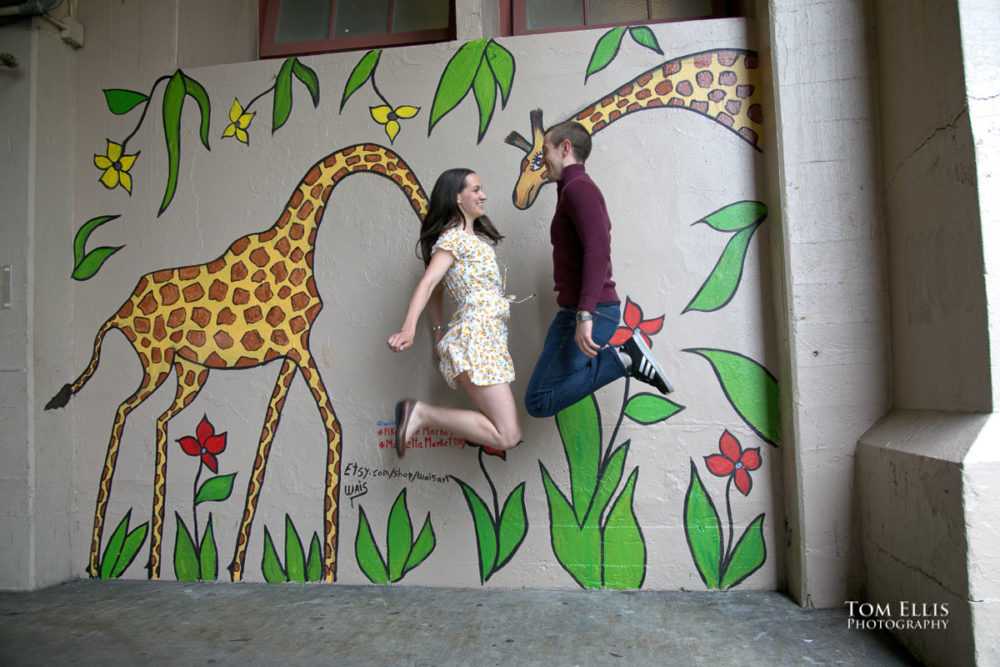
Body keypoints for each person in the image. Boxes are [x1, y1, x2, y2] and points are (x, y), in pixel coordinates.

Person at [523, 120, 673, 419]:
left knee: (539, 401)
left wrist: (585, 314)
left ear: (565, 148)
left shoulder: (578, 189)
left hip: (591, 311)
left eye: (545, 151)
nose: (542, 160)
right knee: (539, 399)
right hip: (582, 310)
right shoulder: (572, 190)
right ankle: (624, 359)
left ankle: (625, 359)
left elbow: (599, 251)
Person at [388, 168, 521, 457]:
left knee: (507, 434)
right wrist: (409, 329)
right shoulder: (454, 238)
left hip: (488, 338)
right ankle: (420, 413)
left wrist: (438, 333)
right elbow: (429, 283)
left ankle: (421, 414)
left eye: (480, 188)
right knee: (507, 434)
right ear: (457, 197)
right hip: (477, 338)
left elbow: (437, 290)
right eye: (475, 189)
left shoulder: (472, 241)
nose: (482, 195)